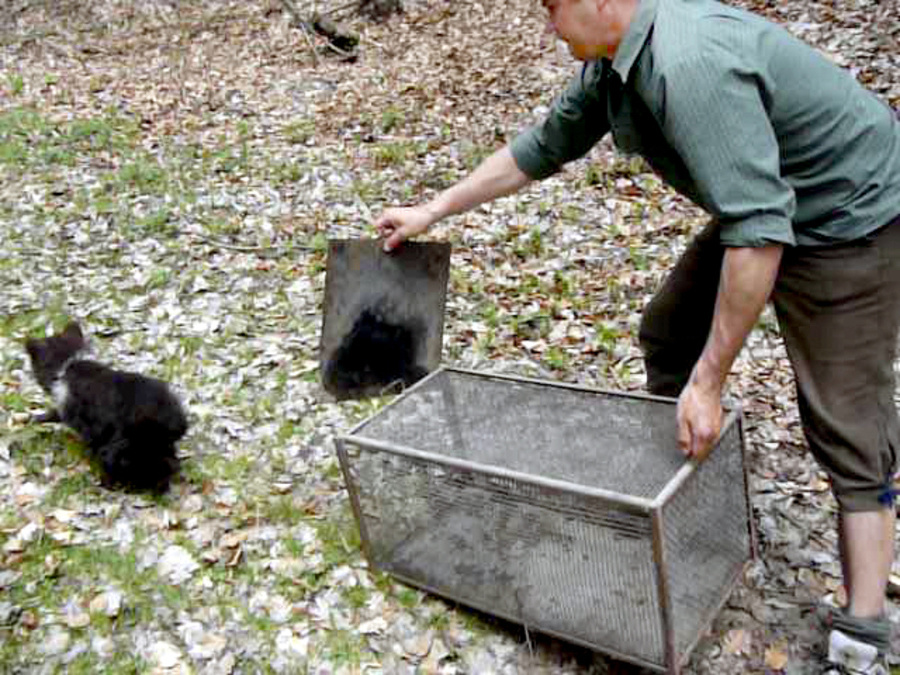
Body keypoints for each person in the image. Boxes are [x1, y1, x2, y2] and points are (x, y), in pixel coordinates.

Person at [374, 0, 900, 671]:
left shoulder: (688, 64)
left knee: (847, 421)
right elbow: (540, 148)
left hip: (848, 216)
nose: (548, 24)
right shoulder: (616, 65)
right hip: (770, 208)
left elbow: (761, 237)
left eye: (552, 7)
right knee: (670, 332)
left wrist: (710, 382)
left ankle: (863, 630)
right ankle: (689, 500)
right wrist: (431, 209)